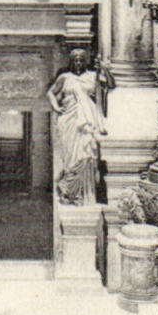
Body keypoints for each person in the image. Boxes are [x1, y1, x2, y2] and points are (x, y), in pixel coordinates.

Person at [46, 48, 114, 205]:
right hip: (69, 121)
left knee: (86, 154)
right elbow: (50, 93)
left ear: (85, 61)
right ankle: (69, 191)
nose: (78, 63)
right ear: (71, 61)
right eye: (75, 60)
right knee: (70, 157)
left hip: (87, 122)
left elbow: (110, 84)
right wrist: (56, 107)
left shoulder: (92, 76)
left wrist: (104, 69)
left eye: (81, 60)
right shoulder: (65, 77)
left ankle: (84, 194)